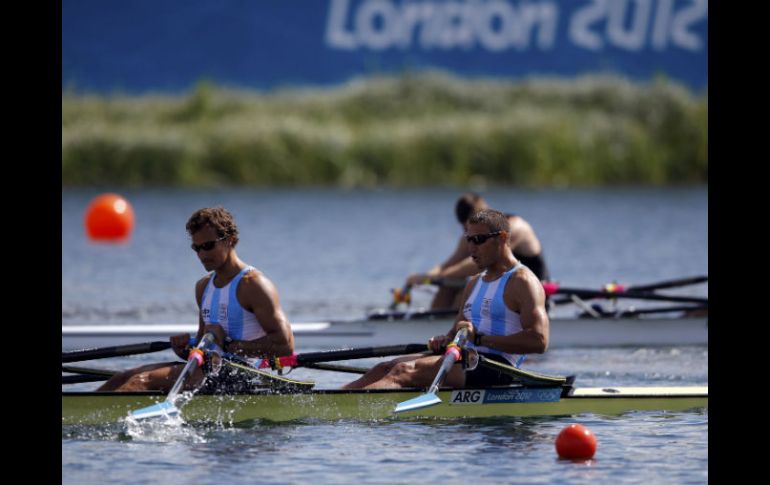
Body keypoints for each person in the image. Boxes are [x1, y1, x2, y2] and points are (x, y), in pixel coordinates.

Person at [344, 208, 549, 389]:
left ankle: (348, 413)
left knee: (402, 371)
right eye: (469, 239)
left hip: (498, 367)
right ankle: (330, 401)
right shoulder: (474, 283)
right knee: (385, 367)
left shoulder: (523, 281)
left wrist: (479, 339)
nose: (472, 248)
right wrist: (445, 340)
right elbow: (456, 332)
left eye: (478, 240)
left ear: (503, 238)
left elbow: (539, 341)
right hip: (465, 358)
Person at [98, 206, 295, 392]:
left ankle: (98, 422)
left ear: (231, 240)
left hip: (243, 374)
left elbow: (285, 347)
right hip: (210, 368)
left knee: (142, 381)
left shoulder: (254, 285)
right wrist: (183, 349)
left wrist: (227, 344)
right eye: (196, 248)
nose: (201, 255)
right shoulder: (203, 287)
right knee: (123, 377)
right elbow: (202, 344)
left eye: (208, 246)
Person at [404, 192, 549, 310]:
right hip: (501, 285)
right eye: (465, 228)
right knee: (451, 282)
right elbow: (449, 265)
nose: (467, 232)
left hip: (532, 292)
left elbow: (474, 264)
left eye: (469, 227)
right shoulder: (472, 232)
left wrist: (438, 277)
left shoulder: (516, 227)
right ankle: (435, 326)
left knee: (464, 290)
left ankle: (453, 329)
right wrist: (424, 276)